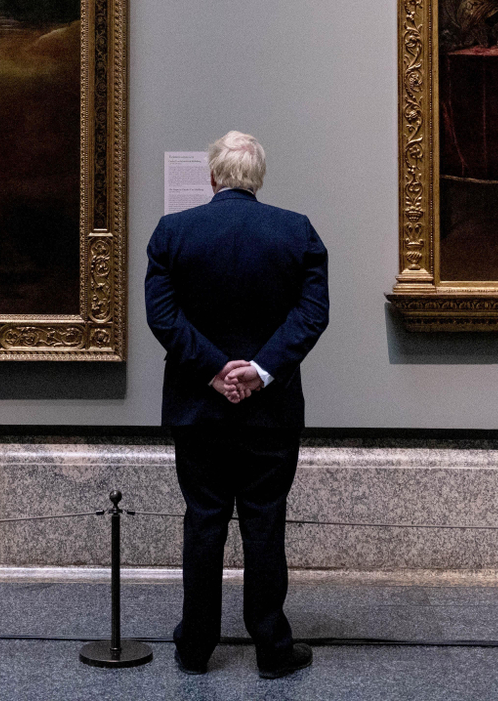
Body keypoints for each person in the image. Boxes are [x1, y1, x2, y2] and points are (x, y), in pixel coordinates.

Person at [144, 131, 330, 679]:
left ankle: (196, 647)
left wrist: (213, 370)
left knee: (204, 523)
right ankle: (272, 648)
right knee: (265, 526)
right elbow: (311, 315)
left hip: (198, 409)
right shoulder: (297, 231)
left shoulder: (173, 232)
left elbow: (163, 317)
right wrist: (258, 371)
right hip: (269, 412)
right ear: (259, 178)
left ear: (212, 177)